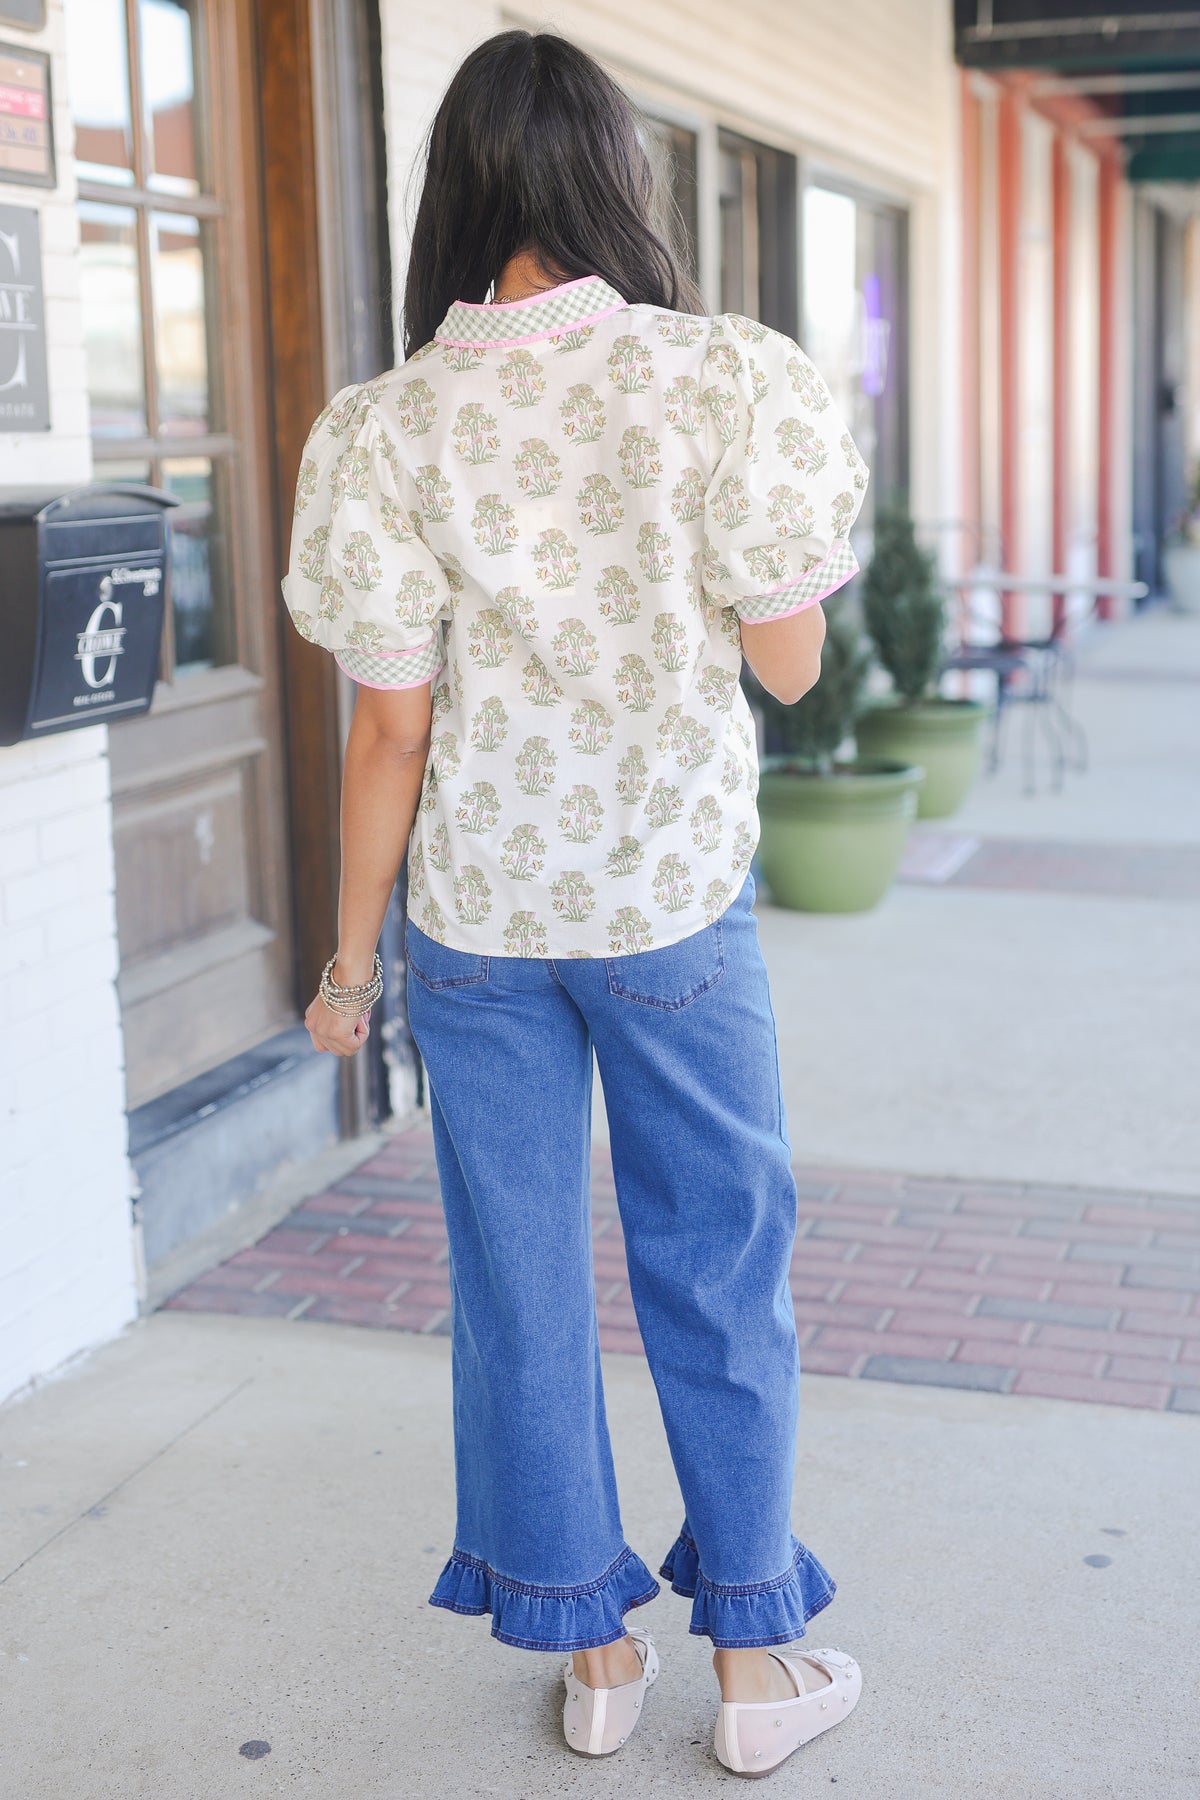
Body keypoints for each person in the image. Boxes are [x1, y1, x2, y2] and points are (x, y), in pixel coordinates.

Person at [282, 28, 867, 1777]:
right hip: (673, 912)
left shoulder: (381, 429)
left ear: (452, 191)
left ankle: (594, 1656)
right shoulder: (722, 380)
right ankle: (757, 1668)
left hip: (475, 930)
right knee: (721, 1269)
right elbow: (789, 667)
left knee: (517, 1287)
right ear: (618, 178)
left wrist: (343, 964)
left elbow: (391, 731)